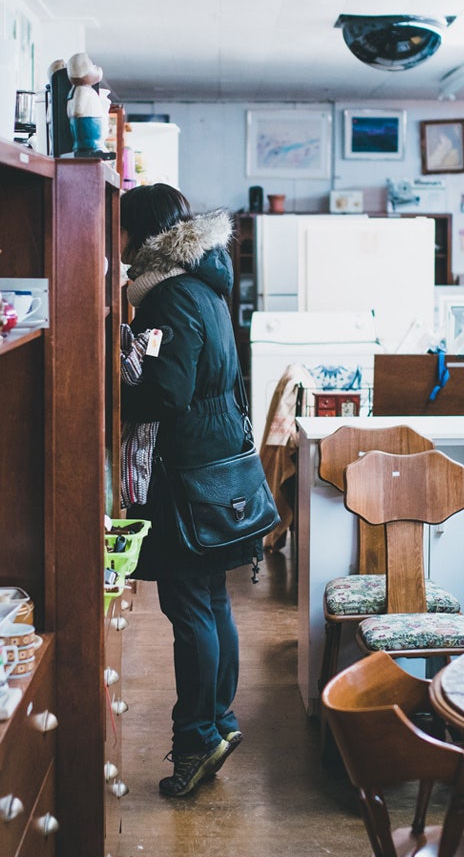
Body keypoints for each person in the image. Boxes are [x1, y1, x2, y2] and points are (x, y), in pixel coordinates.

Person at [120, 183, 262, 797]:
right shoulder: (203, 286)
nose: (113, 244)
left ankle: (195, 743)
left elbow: (165, 394)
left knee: (189, 610)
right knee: (212, 603)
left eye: (118, 230)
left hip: (186, 473)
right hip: (218, 465)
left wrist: (108, 388)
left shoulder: (166, 296)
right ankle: (220, 724)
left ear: (140, 233)